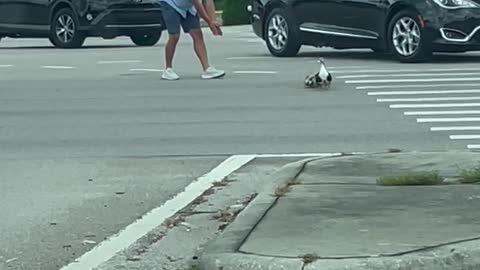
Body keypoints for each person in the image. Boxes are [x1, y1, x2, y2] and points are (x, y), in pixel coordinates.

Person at [159, 0, 226, 80]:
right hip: (171, 3)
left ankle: (207, 69)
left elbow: (208, 1)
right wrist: (209, 22)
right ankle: (168, 69)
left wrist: (213, 21)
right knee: (174, 35)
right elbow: (197, 4)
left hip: (188, 7)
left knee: (197, 34)